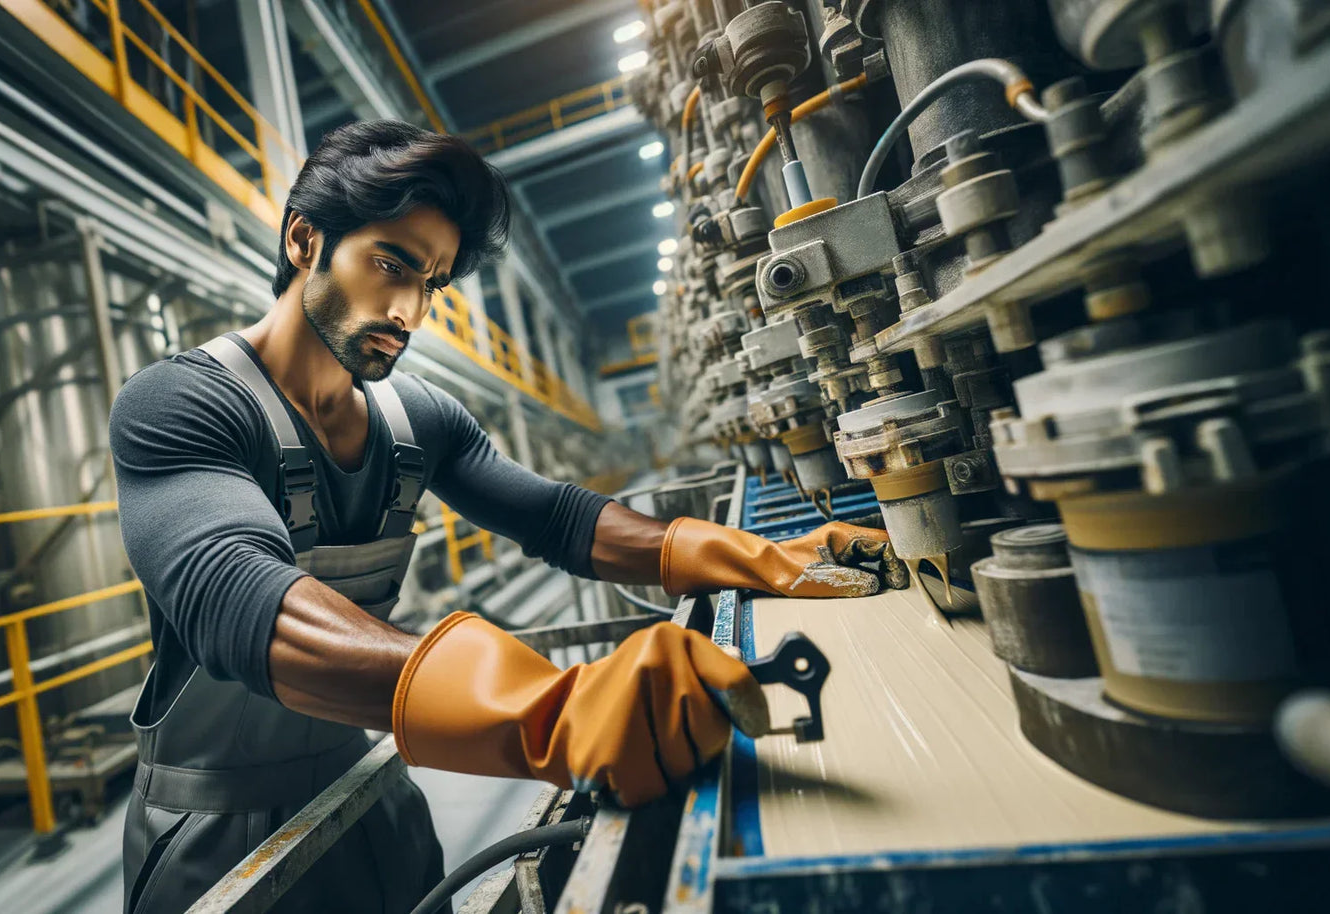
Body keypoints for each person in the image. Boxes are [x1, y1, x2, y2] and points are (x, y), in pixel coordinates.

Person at [111, 120, 903, 914]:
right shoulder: (183, 404)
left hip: (365, 792)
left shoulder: (416, 418)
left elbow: (562, 520)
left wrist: (761, 557)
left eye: (432, 282)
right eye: (390, 263)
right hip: (215, 841)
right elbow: (242, 607)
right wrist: (555, 710)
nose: (409, 310)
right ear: (305, 240)